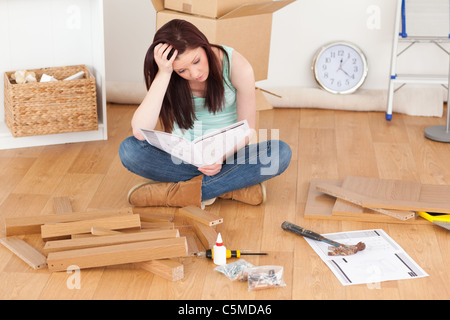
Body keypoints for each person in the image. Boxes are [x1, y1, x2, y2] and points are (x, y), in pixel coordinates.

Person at [119, 19, 291, 208]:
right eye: (182, 70)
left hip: (227, 155)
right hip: (184, 157)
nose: (194, 73)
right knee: (129, 150)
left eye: (196, 61)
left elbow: (248, 129)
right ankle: (230, 187)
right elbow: (140, 131)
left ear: (204, 45)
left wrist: (219, 158)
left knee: (279, 153)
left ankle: (176, 194)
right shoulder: (167, 74)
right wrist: (165, 73)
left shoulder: (236, 66)